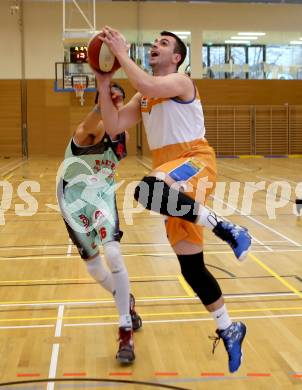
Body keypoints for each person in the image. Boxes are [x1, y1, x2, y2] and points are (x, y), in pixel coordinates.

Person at [96, 27, 252, 373]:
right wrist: (103, 81)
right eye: (154, 42)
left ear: (176, 57)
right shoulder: (145, 97)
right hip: (169, 174)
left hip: (193, 160)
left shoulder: (181, 81)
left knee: (146, 190)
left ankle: (225, 227)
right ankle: (229, 327)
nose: (155, 46)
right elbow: (114, 125)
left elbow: (148, 84)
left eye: (163, 44)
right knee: (192, 268)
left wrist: (122, 54)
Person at [57, 82, 142, 364]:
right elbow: (91, 121)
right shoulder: (87, 131)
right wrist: (102, 101)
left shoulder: (122, 136)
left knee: (114, 253)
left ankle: (125, 330)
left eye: (119, 102)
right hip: (73, 200)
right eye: (109, 102)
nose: (115, 107)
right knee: (94, 267)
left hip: (103, 197)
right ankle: (125, 299)